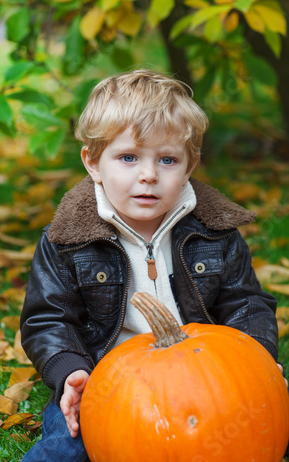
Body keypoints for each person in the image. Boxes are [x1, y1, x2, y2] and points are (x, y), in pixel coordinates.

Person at [20, 69, 286, 461]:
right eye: (128, 157)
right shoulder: (66, 241)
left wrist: (258, 358)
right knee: (67, 448)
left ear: (189, 165)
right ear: (93, 163)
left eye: (166, 159)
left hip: (205, 376)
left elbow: (244, 302)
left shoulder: (214, 232)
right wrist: (69, 371)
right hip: (111, 385)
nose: (148, 174)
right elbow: (48, 318)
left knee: (268, 421)